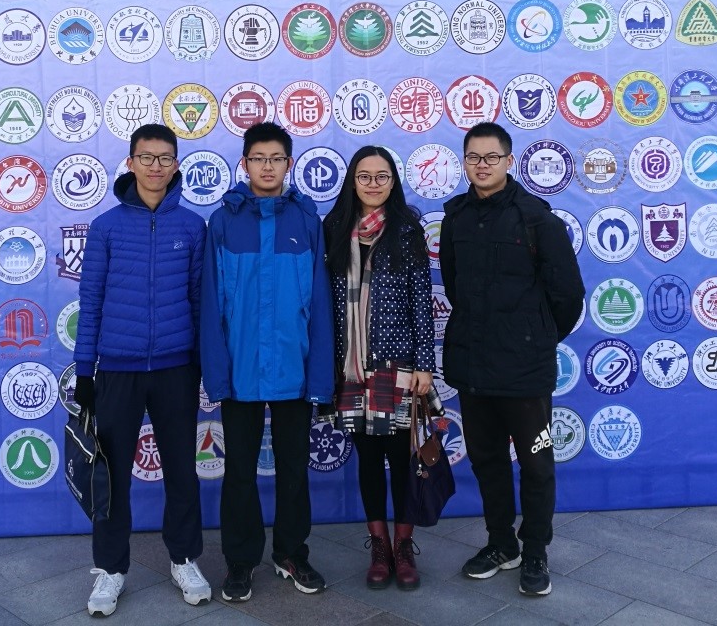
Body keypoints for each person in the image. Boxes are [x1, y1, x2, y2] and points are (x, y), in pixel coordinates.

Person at [439, 122, 585, 598]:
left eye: (491, 157)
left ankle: (535, 550)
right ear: (464, 162)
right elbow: (455, 285)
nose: (482, 165)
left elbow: (568, 295)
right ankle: (501, 544)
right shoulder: (456, 219)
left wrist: (534, 337)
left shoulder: (537, 220)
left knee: (536, 465)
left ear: (509, 161)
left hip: (525, 370)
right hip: (474, 364)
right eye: (473, 157)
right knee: (486, 462)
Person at [72, 123, 211, 617]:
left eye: (165, 158)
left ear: (176, 165)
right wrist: (84, 370)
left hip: (176, 368)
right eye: (146, 157)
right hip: (118, 369)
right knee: (112, 476)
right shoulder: (107, 226)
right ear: (130, 163)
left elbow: (199, 301)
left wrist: (203, 365)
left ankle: (185, 558)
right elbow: (91, 301)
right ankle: (110, 568)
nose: (156, 166)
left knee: (182, 472)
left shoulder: (192, 227)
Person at [199, 121, 334, 602]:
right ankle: (240, 561)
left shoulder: (307, 221)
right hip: (241, 372)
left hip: (295, 370)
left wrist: (320, 377)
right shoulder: (223, 222)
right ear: (245, 164)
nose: (268, 167)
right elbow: (211, 304)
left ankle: (291, 552)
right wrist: (217, 375)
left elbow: (320, 303)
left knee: (295, 469)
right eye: (259, 158)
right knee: (239, 470)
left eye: (276, 159)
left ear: (289, 164)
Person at [322, 146, 436, 591]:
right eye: (364, 176)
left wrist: (424, 365)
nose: (373, 184)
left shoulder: (406, 229)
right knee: (368, 460)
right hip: (350, 367)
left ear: (393, 181)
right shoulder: (333, 228)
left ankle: (404, 547)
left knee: (402, 460)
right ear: (353, 181)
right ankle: (379, 546)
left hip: (397, 364)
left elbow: (421, 301)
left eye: (382, 176)